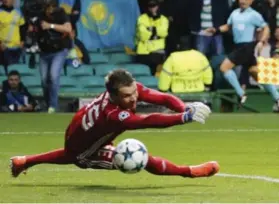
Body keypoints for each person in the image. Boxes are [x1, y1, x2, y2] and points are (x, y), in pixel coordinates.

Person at [10, 69, 219, 178]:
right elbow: (147, 121)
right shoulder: (112, 114)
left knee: (69, 152)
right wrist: (183, 118)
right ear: (113, 95)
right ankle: (189, 172)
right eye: (127, 96)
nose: (134, 98)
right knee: (140, 158)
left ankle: (24, 161)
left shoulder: (127, 89)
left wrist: (185, 108)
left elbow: (163, 98)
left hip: (78, 133)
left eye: (135, 93)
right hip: (85, 149)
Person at [218, 0, 279, 112]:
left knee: (224, 68)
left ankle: (241, 94)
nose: (242, 1)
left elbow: (266, 28)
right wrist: (216, 30)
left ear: (250, 1)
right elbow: (228, 26)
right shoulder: (235, 13)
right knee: (256, 73)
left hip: (247, 46)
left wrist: (261, 41)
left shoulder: (254, 15)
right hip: (239, 46)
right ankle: (278, 98)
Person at [37, 0, 73, 113]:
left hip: (59, 50)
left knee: (53, 76)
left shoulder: (60, 13)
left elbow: (68, 29)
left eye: (50, 7)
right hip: (44, 51)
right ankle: (48, 104)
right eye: (46, 7)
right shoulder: (41, 14)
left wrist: (50, 26)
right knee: (43, 79)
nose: (48, 9)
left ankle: (53, 105)